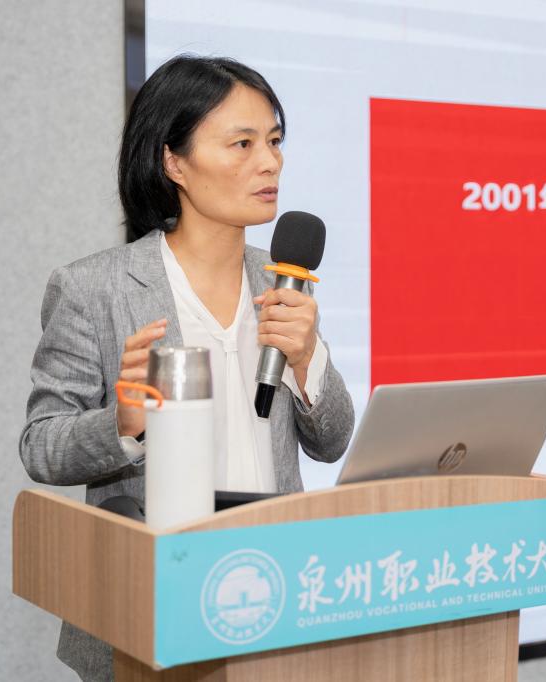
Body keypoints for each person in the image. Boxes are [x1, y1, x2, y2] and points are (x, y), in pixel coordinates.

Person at [18, 54, 355, 682]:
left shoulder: (285, 281)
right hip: (150, 602)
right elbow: (41, 447)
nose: (270, 162)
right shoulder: (94, 288)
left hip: (275, 586)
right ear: (174, 162)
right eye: (243, 143)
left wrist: (308, 359)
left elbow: (332, 442)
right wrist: (123, 422)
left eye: (275, 141)